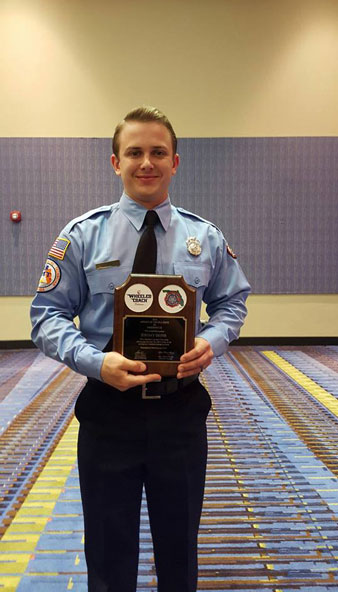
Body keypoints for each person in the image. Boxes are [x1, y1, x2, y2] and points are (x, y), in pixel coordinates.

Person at [31, 106, 250, 592]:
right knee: (108, 556)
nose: (146, 162)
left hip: (181, 413)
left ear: (176, 162)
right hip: (110, 414)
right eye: (134, 152)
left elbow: (233, 301)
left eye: (158, 152)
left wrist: (210, 342)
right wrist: (95, 361)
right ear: (115, 162)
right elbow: (45, 317)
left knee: (180, 553)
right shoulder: (81, 236)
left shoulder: (204, 238)